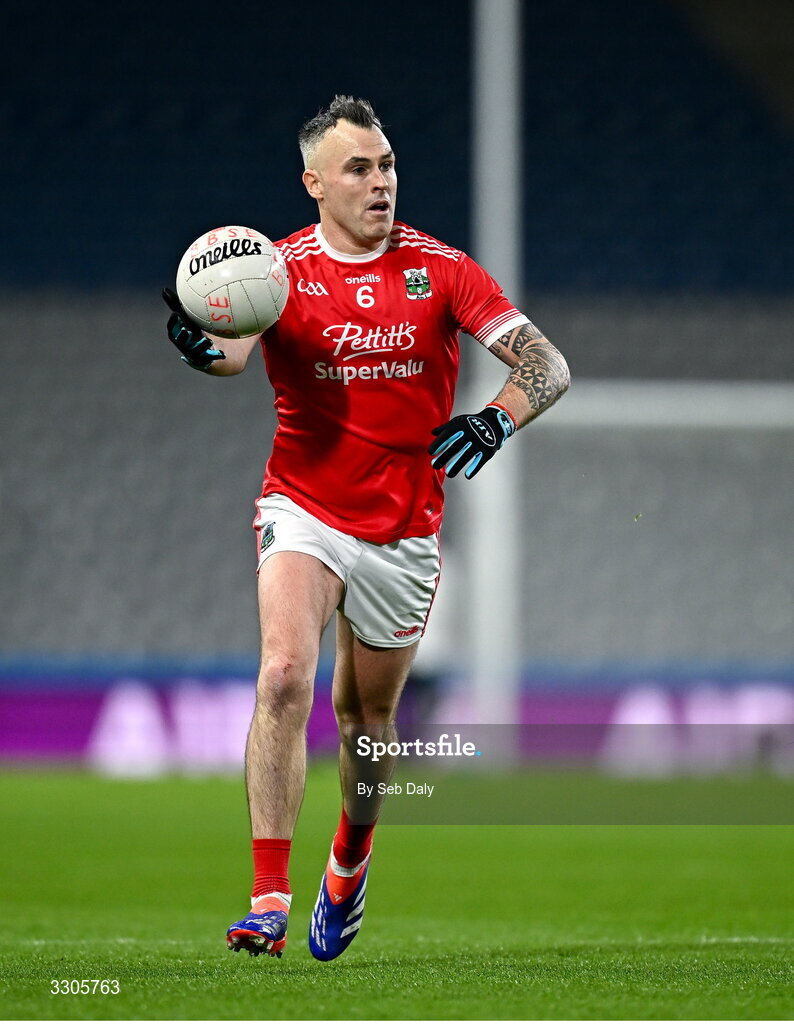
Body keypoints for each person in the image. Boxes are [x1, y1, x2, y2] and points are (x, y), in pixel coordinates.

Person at [162, 95, 570, 962]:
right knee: (281, 676)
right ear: (314, 182)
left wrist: (496, 418)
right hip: (302, 507)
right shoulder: (272, 270)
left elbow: (548, 364)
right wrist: (198, 342)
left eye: (386, 165)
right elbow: (230, 350)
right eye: (359, 168)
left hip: (403, 527)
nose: (380, 181)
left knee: (366, 721)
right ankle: (269, 894)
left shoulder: (442, 268)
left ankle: (350, 854)